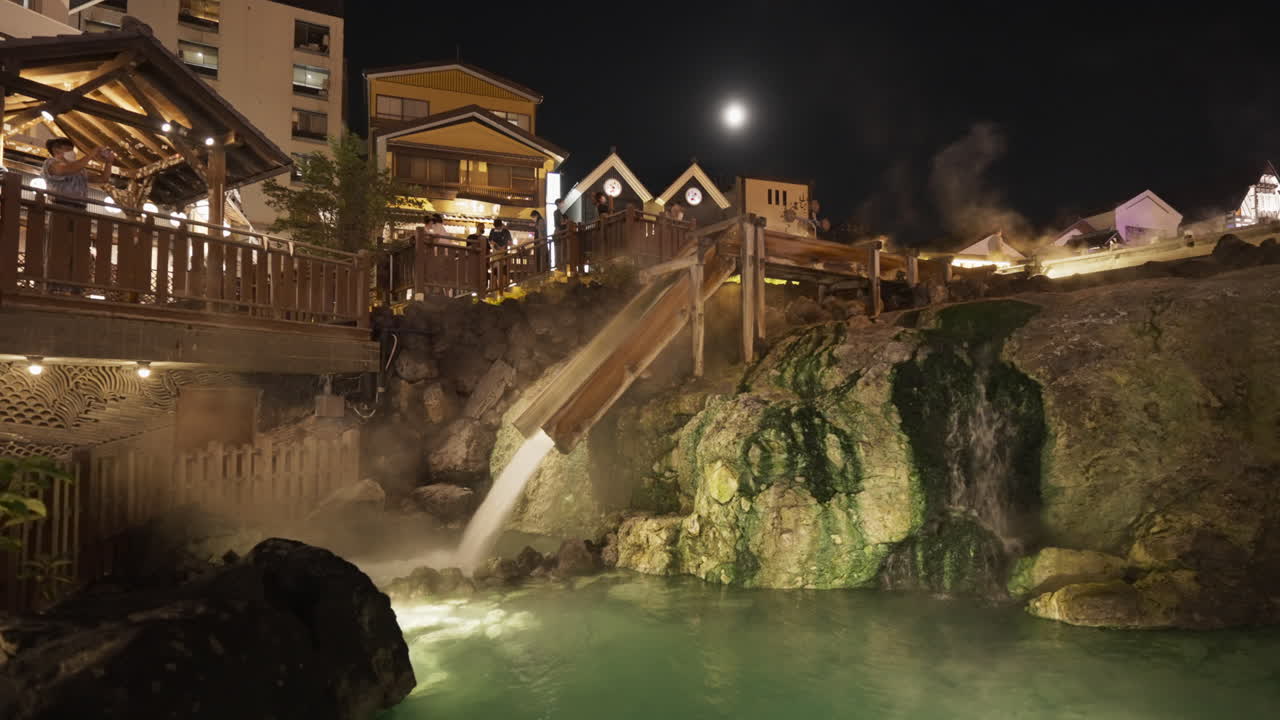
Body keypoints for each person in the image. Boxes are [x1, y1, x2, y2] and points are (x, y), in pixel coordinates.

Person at [41, 138, 111, 208]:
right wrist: (91, 154)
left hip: (80, 209)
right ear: (56, 150)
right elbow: (66, 170)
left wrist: (109, 162)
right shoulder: (50, 163)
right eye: (68, 150)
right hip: (59, 207)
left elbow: (103, 179)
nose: (72, 153)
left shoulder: (80, 170)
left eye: (72, 150)